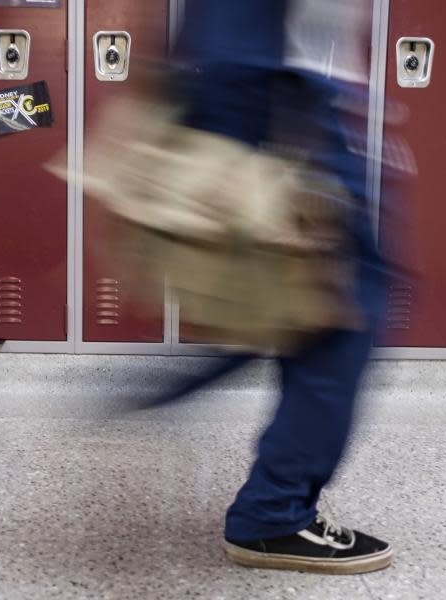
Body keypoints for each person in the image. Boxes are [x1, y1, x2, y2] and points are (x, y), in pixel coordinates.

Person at [167, 0, 393, 575]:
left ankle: (276, 506)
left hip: (303, 112)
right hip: (296, 118)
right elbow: (234, 39)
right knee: (342, 320)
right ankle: (272, 515)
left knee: (329, 319)